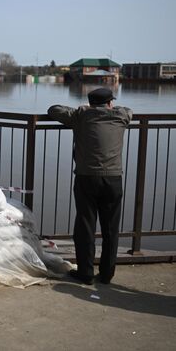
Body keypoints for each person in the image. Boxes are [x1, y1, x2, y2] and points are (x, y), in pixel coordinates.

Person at [48, 88, 132, 285]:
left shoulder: (81, 116)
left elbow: (53, 109)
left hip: (87, 178)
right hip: (113, 178)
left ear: (90, 103)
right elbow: (129, 110)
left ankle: (86, 272)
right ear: (110, 103)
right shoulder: (121, 116)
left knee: (85, 225)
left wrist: (83, 109)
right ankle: (107, 274)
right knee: (110, 227)